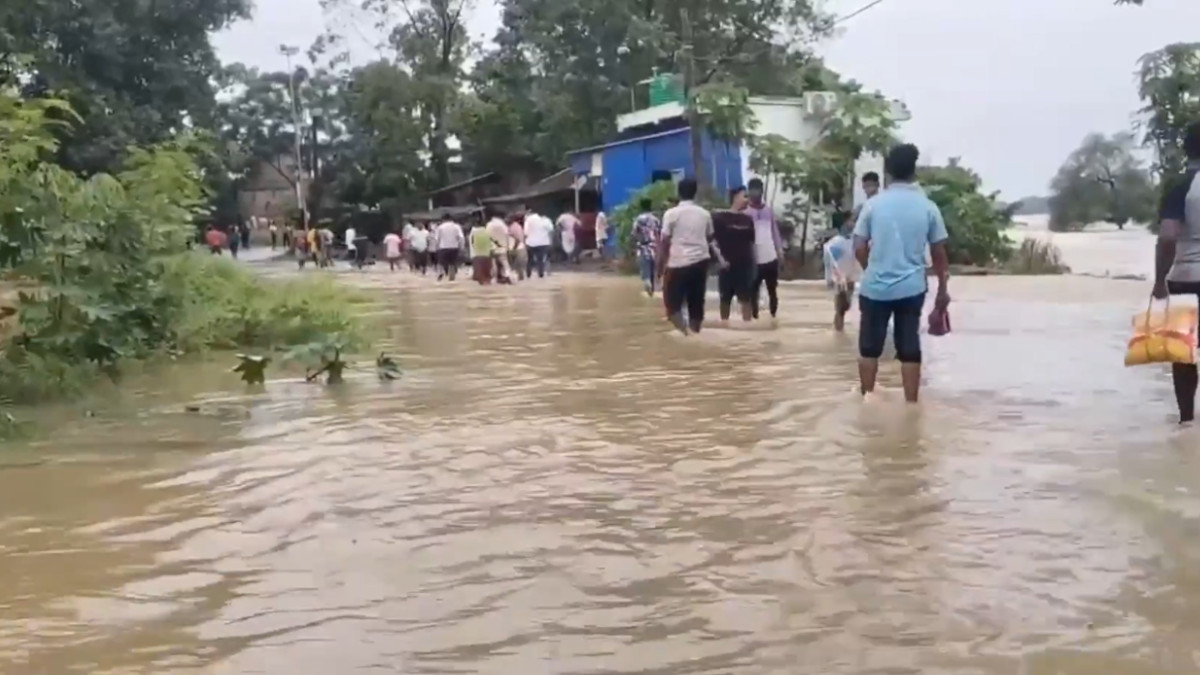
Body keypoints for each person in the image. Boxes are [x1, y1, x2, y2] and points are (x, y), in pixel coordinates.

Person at [853, 143, 950, 403]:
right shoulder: (927, 207)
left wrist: (871, 269)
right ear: (913, 171)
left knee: (869, 348)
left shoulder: (873, 206)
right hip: (911, 288)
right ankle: (911, 406)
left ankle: (867, 401)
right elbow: (939, 253)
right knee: (909, 347)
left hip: (875, 288)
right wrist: (943, 290)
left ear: (888, 172)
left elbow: (858, 246)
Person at [1152, 121, 1200, 423]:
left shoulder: (1181, 188)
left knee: (1183, 353)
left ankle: (1186, 421)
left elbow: (1168, 237)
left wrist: (1159, 281)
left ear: (1186, 150)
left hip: (1185, 280)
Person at [659, 178, 725, 335]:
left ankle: (686, 336)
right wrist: (719, 260)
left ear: (678, 193)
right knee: (696, 305)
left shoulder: (671, 214)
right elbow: (710, 238)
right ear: (695, 193)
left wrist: (659, 267)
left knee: (671, 307)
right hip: (700, 264)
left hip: (678, 264)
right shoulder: (704, 214)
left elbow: (664, 242)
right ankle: (695, 334)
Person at [713, 187, 757, 323]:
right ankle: (724, 326)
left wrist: (755, 265)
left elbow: (752, 243)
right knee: (725, 299)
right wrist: (721, 260)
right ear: (735, 197)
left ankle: (748, 327)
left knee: (746, 299)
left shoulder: (748, 219)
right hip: (726, 266)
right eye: (745, 196)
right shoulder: (719, 218)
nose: (747, 200)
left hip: (745, 266)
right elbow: (712, 241)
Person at [745, 177, 785, 320]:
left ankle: (773, 317)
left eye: (757, 190)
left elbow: (775, 231)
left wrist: (780, 251)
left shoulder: (768, 211)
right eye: (752, 190)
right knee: (753, 291)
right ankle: (755, 318)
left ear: (761, 191)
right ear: (749, 192)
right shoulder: (746, 213)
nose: (755, 194)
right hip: (754, 258)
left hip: (770, 256)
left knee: (772, 289)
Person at [824, 225, 861, 332]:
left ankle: (839, 329)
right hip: (839, 275)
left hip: (850, 274)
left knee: (846, 303)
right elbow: (830, 259)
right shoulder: (836, 243)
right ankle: (839, 329)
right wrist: (830, 277)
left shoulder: (853, 241)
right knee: (841, 305)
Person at [632, 199, 662, 296]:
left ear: (641, 207)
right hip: (655, 248)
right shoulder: (656, 219)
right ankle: (653, 289)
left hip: (643, 248)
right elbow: (660, 234)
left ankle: (648, 286)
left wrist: (634, 246)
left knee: (645, 272)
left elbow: (634, 234)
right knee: (653, 271)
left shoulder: (638, 219)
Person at [486, 210, 512, 283]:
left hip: (492, 247)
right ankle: (508, 275)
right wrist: (508, 246)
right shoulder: (503, 225)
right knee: (505, 263)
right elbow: (507, 235)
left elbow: (487, 236)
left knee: (494, 263)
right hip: (502, 247)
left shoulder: (489, 224)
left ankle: (494, 278)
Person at [527, 210, 555, 278]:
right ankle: (540, 273)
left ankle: (528, 273)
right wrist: (551, 242)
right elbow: (551, 231)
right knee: (541, 259)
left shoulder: (529, 219)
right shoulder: (547, 220)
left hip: (531, 242)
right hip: (543, 242)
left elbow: (526, 232)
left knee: (530, 259)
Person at [470, 220, 495, 284]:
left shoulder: (474, 233)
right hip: (487, 253)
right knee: (487, 269)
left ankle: (482, 281)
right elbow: (492, 242)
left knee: (480, 271)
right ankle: (487, 281)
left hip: (478, 254)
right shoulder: (488, 232)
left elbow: (472, 242)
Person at [508, 213, 528, 281]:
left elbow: (517, 239)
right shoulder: (518, 226)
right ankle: (520, 277)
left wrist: (513, 248)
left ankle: (517, 277)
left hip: (517, 248)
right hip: (520, 247)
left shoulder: (513, 227)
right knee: (520, 265)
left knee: (516, 265)